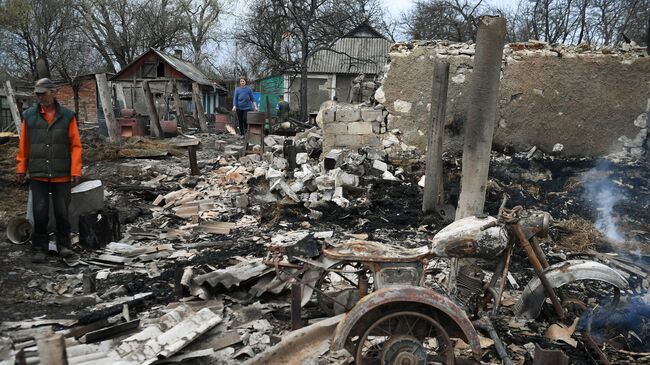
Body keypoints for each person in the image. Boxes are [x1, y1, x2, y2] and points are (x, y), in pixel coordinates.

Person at [16, 78, 82, 261]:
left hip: (61, 173)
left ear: (53, 93)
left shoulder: (67, 116)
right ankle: (40, 248)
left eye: (42, 93)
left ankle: (64, 246)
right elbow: (24, 145)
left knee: (62, 213)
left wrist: (76, 170)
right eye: (37, 94)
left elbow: (75, 145)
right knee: (40, 213)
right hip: (38, 174)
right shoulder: (29, 116)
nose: (39, 97)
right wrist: (21, 167)